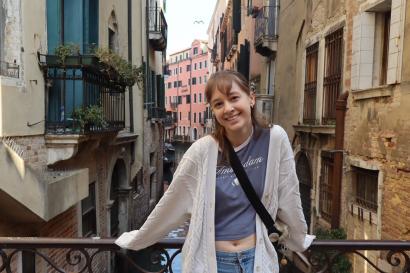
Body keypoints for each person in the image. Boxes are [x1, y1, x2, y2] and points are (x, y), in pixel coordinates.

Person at [115, 70, 314, 273]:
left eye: (234, 98)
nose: (228, 109)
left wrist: (299, 239)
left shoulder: (275, 139)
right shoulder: (202, 151)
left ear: (251, 98)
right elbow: (173, 202)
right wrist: (139, 239)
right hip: (214, 263)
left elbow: (289, 193)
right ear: (213, 111)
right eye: (219, 104)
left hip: (258, 260)